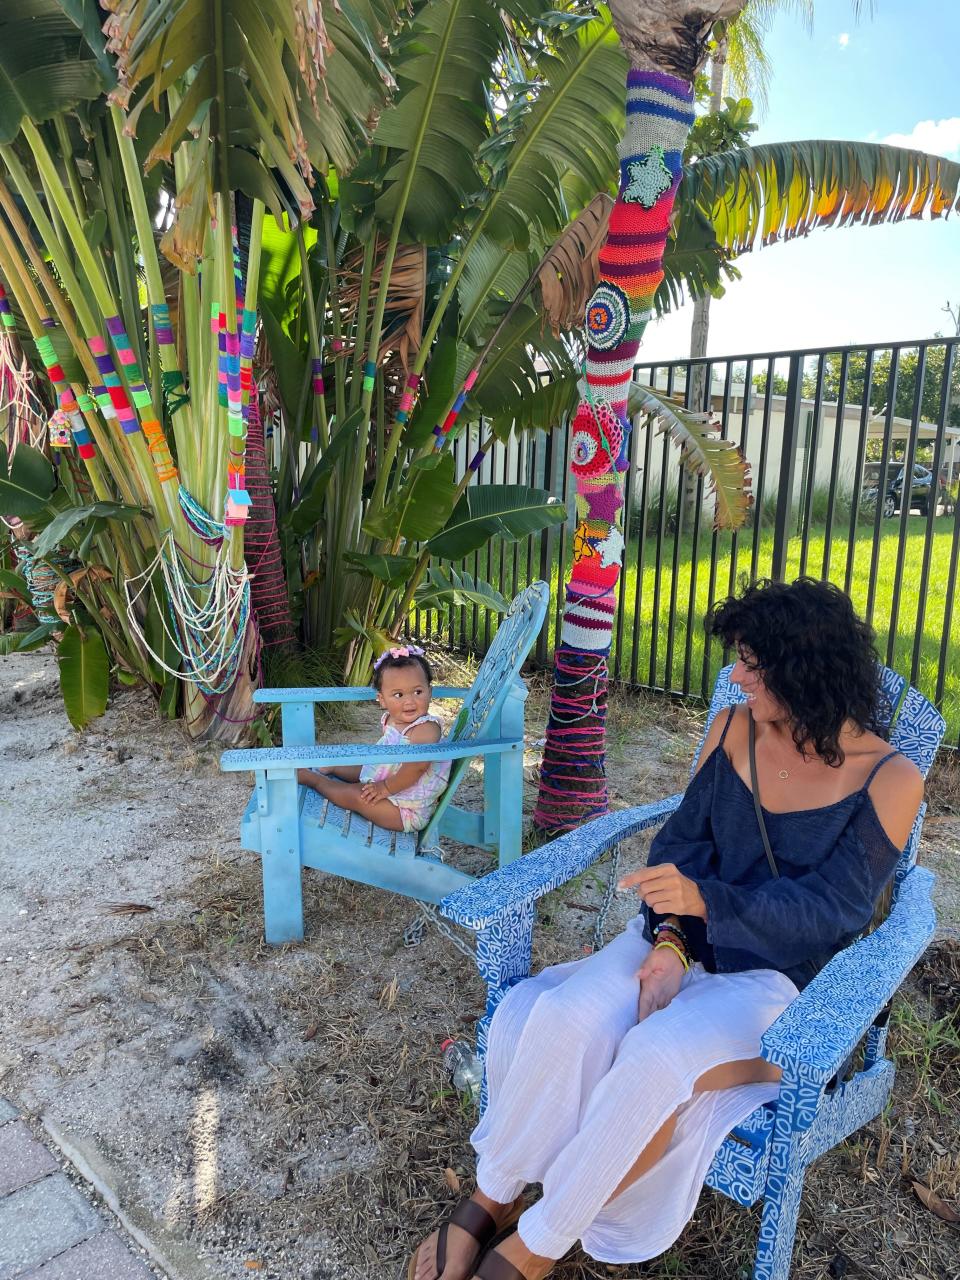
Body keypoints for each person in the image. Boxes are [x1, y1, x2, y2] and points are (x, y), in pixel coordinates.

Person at [408, 578, 923, 1280]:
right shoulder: (734, 726)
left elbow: (828, 913)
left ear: (805, 670)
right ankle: (488, 1200)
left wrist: (707, 903)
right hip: (686, 941)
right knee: (567, 1018)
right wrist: (675, 945)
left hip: (780, 989)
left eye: (751, 662)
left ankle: (532, 1248)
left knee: (654, 1060)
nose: (735, 677)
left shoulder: (890, 781)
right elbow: (683, 845)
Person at [298, 645, 449, 834]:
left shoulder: (426, 729)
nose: (409, 701)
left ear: (430, 691)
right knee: (369, 765)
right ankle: (335, 768)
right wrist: (382, 785)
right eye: (398, 695)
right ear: (382, 699)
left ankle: (316, 781)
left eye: (417, 692)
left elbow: (416, 768)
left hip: (405, 810)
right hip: (391, 787)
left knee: (358, 796)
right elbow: (383, 768)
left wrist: (384, 788)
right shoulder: (394, 720)